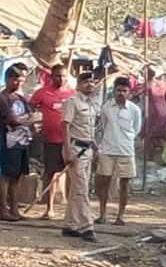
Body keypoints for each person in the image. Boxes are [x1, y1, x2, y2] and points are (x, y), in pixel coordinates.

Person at [29, 64, 75, 220]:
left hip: (70, 141)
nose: (60, 79)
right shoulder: (42, 93)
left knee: (72, 174)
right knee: (50, 173)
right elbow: (28, 110)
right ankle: (49, 208)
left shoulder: (72, 94)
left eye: (63, 76)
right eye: (57, 75)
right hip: (51, 140)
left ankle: (71, 210)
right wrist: (34, 131)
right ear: (51, 76)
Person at [95, 77, 142, 226]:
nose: (121, 93)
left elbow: (137, 128)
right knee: (104, 183)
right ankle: (102, 215)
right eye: (119, 90)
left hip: (126, 150)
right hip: (108, 149)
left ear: (129, 93)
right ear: (114, 92)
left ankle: (120, 216)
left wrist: (126, 140)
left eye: (124, 91)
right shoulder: (107, 108)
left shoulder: (134, 110)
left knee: (125, 184)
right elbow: (103, 125)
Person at [61, 72, 98, 242]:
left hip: (87, 148)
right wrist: (68, 150)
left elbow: (89, 129)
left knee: (77, 189)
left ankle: (71, 224)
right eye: (86, 81)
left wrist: (95, 147)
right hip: (75, 149)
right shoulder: (72, 101)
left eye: (92, 81)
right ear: (78, 84)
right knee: (82, 189)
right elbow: (65, 126)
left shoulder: (91, 104)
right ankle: (87, 227)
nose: (89, 84)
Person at [0, 66, 32, 221]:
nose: (19, 82)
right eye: (15, 79)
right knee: (5, 175)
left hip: (21, 141)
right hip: (7, 140)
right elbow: (14, 119)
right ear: (7, 79)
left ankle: (14, 209)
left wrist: (24, 119)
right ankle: (3, 209)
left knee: (17, 175)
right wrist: (25, 119)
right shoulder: (3, 98)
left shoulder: (20, 98)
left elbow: (33, 115)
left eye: (22, 79)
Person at [143, 68, 166, 162]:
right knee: (164, 133)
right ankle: (165, 154)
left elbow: (138, 93)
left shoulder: (147, 85)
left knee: (150, 132)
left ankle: (149, 155)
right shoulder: (163, 85)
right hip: (165, 110)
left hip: (153, 111)